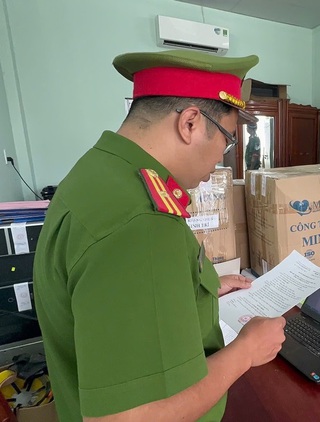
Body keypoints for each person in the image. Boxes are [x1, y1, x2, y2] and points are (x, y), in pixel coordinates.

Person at [32, 49, 286, 422]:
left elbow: (103, 297)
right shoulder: (141, 220)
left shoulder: (100, 173)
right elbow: (131, 416)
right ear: (190, 124)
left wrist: (190, 293)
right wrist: (247, 350)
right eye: (227, 140)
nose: (222, 156)